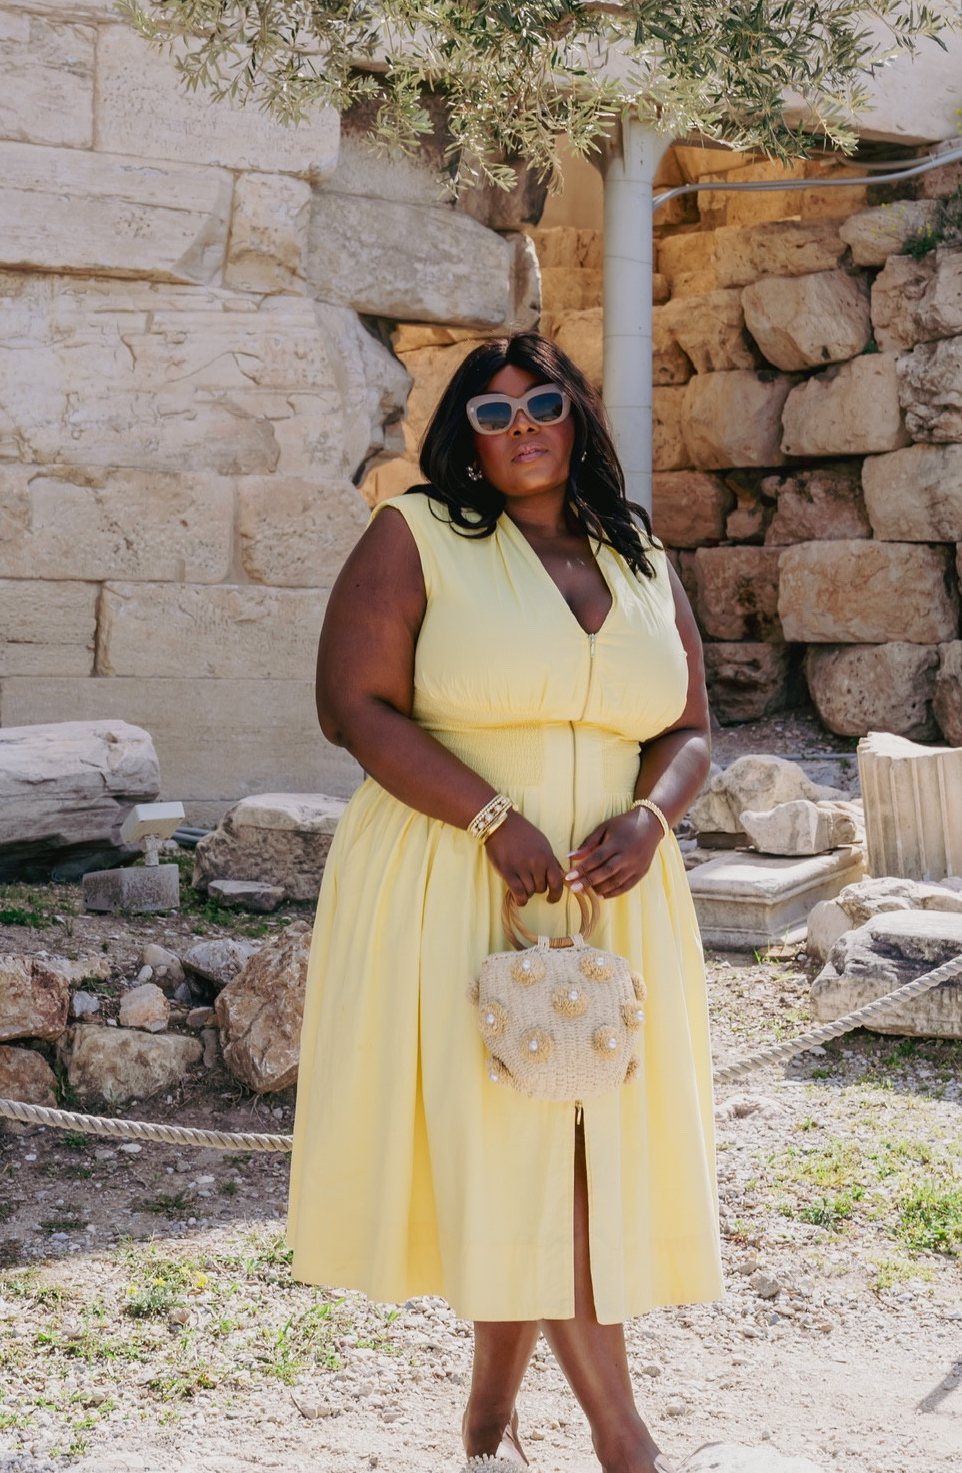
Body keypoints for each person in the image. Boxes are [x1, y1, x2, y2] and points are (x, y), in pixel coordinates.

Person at [287, 333, 722, 1473]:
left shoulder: (639, 554)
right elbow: (355, 707)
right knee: (526, 1140)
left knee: (572, 1139)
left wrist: (652, 818)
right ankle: (627, 1444)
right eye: (492, 412)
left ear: (575, 416)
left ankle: (488, 1416)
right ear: (465, 437)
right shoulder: (414, 535)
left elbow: (688, 729)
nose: (522, 423)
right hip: (451, 869)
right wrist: (490, 818)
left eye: (543, 402)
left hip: (612, 888)